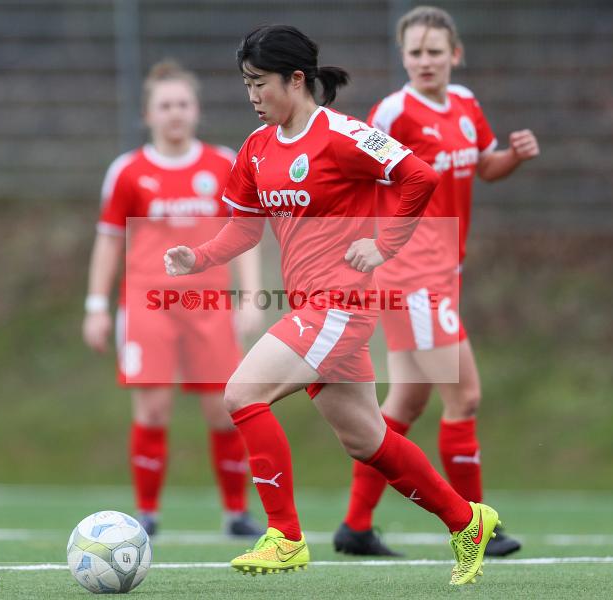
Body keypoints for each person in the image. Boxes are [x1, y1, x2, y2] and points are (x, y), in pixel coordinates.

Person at [164, 25, 501, 586]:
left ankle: (284, 536)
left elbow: (418, 176)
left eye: (259, 82)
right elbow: (245, 229)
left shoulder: (345, 135)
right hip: (312, 307)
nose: (251, 95)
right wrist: (197, 258)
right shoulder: (257, 148)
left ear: (296, 79)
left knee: (241, 394)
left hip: (340, 306)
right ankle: (468, 521)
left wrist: (384, 244)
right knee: (367, 440)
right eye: (246, 84)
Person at [332, 6, 540, 558]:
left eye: (434, 51)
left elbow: (484, 167)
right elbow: (356, 174)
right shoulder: (393, 113)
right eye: (415, 52)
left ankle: (355, 527)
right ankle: (476, 525)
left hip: (443, 272)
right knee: (464, 395)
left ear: (456, 54)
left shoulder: (466, 104)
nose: (425, 61)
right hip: (411, 275)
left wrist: (514, 157)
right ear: (403, 57)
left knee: (405, 402)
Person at [82, 60, 263, 538]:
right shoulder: (128, 171)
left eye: (183, 103)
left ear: (196, 110)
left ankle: (236, 513)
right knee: (153, 410)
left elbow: (244, 233)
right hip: (148, 306)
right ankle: (147, 513)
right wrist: (96, 306)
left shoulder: (223, 163)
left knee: (225, 409)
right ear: (148, 114)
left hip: (210, 305)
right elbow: (108, 240)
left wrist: (249, 297)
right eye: (165, 106)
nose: (175, 113)